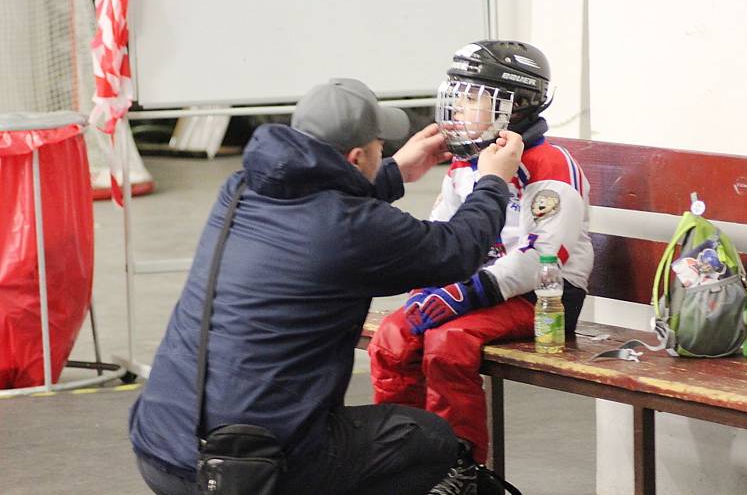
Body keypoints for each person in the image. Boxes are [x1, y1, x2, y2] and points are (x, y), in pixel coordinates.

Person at [128, 77, 525, 495]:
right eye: (379, 147)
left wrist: (391, 173)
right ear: (356, 157)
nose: (384, 150)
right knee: (428, 440)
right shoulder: (354, 229)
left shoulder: (241, 188)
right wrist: (493, 181)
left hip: (162, 445)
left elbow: (316, 197)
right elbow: (457, 249)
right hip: (249, 469)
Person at [369, 40, 595, 494]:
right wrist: (428, 285)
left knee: (448, 343)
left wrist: (461, 294)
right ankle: (401, 461)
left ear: (514, 105)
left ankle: (460, 466)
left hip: (542, 298)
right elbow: (441, 230)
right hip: (472, 290)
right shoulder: (467, 160)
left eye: (472, 97)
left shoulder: (550, 165)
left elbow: (543, 258)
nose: (458, 107)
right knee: (393, 338)